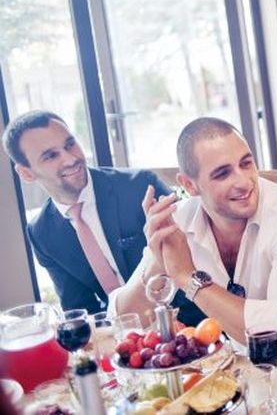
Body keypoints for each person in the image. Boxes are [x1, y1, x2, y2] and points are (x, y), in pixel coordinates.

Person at [110, 117, 277, 364]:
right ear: (189, 185)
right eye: (223, 174)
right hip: (246, 370)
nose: (244, 182)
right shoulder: (179, 221)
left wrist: (188, 278)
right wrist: (158, 260)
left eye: (246, 163)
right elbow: (122, 324)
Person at [1, 111, 172, 315]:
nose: (70, 159)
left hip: (185, 319)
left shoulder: (140, 186)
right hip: (122, 330)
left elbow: (194, 259)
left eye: (69, 144)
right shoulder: (41, 232)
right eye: (51, 156)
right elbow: (81, 308)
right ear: (26, 173)